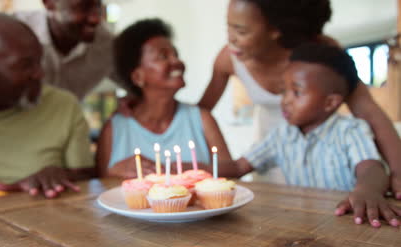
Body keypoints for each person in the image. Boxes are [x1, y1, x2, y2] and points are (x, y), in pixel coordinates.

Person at [199, 0, 401, 196]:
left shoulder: (320, 56)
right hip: (274, 150)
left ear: (275, 30)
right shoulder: (229, 58)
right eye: (229, 27)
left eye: (241, 31)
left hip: (324, 154)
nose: (230, 38)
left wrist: (398, 171)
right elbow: (199, 113)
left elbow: (368, 112)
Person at [223, 43, 400, 227]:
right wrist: (194, 168)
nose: (286, 100)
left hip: (348, 222)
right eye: (284, 91)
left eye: (297, 92)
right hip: (306, 225)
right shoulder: (281, 135)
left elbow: (371, 168)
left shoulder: (350, 130)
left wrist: (367, 190)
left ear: (330, 102)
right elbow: (239, 166)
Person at [0, 14, 93, 199]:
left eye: (39, 61)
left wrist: (58, 174)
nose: (39, 74)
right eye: (25, 65)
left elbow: (87, 175)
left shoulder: (64, 105)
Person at [96, 18, 232, 178]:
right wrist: (113, 171)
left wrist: (197, 170)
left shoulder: (201, 119)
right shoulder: (115, 128)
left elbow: (232, 174)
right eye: (163, 56)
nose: (177, 61)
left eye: (175, 54)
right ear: (138, 77)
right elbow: (99, 185)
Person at [0, 0, 116, 100]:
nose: (95, 18)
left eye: (98, 6)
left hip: (60, 137)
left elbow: (136, 81)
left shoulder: (107, 46)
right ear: (49, 3)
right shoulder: (4, 37)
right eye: (83, 7)